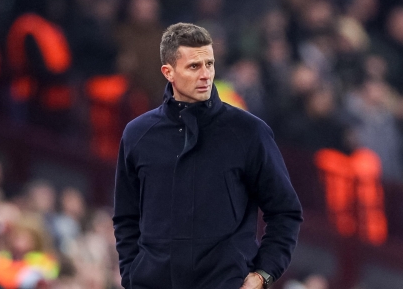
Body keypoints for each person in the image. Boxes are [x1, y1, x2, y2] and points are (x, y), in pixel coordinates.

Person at [112, 22, 303, 289]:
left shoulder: (250, 132)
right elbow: (126, 217)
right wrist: (132, 277)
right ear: (168, 72)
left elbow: (285, 211)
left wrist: (262, 275)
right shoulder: (138, 135)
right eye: (194, 66)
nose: (206, 75)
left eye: (210, 64)